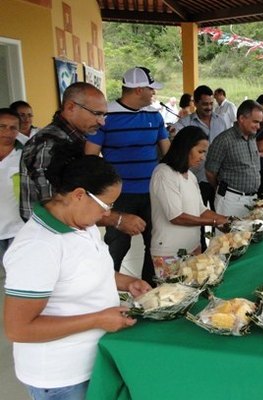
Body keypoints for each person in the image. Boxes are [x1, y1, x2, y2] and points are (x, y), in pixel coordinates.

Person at [4, 153, 151, 400]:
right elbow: (18, 328)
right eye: (106, 205)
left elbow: (86, 271)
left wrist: (127, 282)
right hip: (62, 376)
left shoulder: (82, 224)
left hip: (94, 359)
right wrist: (98, 319)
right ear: (79, 195)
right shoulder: (38, 247)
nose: (109, 213)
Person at [85, 66, 170, 286]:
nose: (154, 93)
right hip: (119, 197)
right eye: (151, 89)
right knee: (115, 246)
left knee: (155, 245)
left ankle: (150, 290)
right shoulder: (106, 116)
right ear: (139, 89)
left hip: (151, 194)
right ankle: (104, 290)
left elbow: (167, 153)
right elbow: (90, 158)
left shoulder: (155, 115)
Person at [150, 127, 229, 277]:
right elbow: (176, 216)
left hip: (193, 246)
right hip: (170, 251)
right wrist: (213, 222)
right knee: (176, 295)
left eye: (204, 152)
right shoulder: (164, 173)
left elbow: (201, 209)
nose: (203, 157)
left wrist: (227, 220)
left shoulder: (191, 176)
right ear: (185, 148)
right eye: (200, 152)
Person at [171, 85, 230, 251]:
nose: (209, 107)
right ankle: (201, 250)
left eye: (211, 103)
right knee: (198, 218)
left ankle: (219, 250)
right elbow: (177, 147)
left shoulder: (221, 120)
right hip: (197, 179)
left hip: (218, 177)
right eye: (205, 104)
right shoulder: (185, 124)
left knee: (218, 215)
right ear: (195, 103)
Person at [205, 100, 262, 218]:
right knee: (228, 236)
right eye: (255, 122)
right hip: (230, 201)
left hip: (252, 199)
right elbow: (210, 173)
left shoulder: (252, 138)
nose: (258, 126)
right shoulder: (223, 140)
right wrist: (224, 192)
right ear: (241, 118)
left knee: (247, 236)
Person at [0, 108, 25, 278]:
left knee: (17, 274)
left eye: (13, 127)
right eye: (2, 126)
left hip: (17, 227)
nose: (7, 132)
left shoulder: (25, 154)